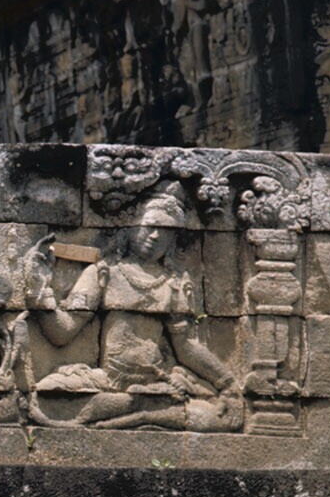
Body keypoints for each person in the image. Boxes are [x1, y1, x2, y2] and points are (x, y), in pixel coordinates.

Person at [28, 183, 241, 430]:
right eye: (150, 226)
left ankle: (138, 411)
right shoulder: (104, 273)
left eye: (166, 231)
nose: (156, 236)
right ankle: (144, 412)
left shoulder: (174, 283)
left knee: (213, 416)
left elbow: (186, 346)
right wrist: (39, 293)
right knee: (48, 393)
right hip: (109, 381)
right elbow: (62, 332)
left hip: (157, 382)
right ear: (131, 226)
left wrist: (226, 383)